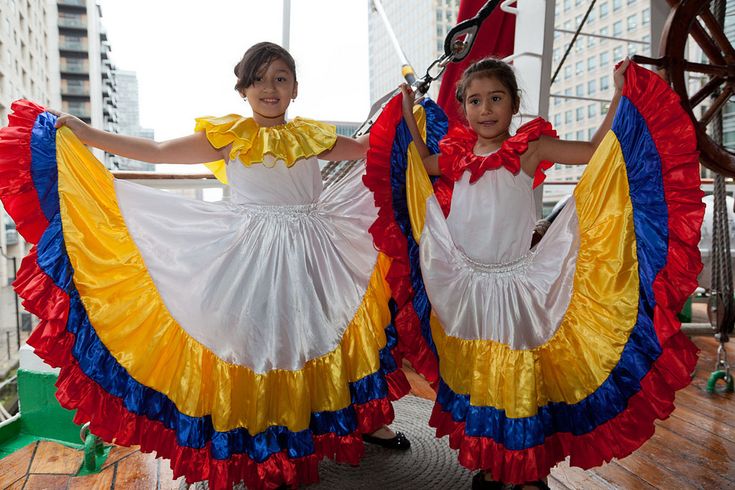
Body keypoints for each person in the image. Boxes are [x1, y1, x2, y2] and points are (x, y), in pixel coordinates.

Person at [0, 41, 411, 490]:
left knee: (317, 337)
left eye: (280, 78)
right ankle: (258, 442)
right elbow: (157, 151)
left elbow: (372, 148)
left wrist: (408, 112)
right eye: (258, 80)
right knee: (254, 344)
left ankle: (344, 422)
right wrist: (89, 135)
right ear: (243, 89)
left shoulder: (314, 135)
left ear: (295, 88)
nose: (269, 88)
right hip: (250, 256)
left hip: (313, 251)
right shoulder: (230, 136)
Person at [364, 58, 704, 489]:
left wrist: (620, 94)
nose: (485, 109)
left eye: (495, 98)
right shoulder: (455, 156)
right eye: (474, 100)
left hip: (515, 286)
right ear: (463, 108)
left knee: (517, 376)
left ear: (513, 104)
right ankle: (491, 459)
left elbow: (599, 152)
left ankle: (526, 472)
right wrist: (408, 108)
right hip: (467, 287)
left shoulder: (531, 148)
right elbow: (417, 161)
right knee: (481, 374)